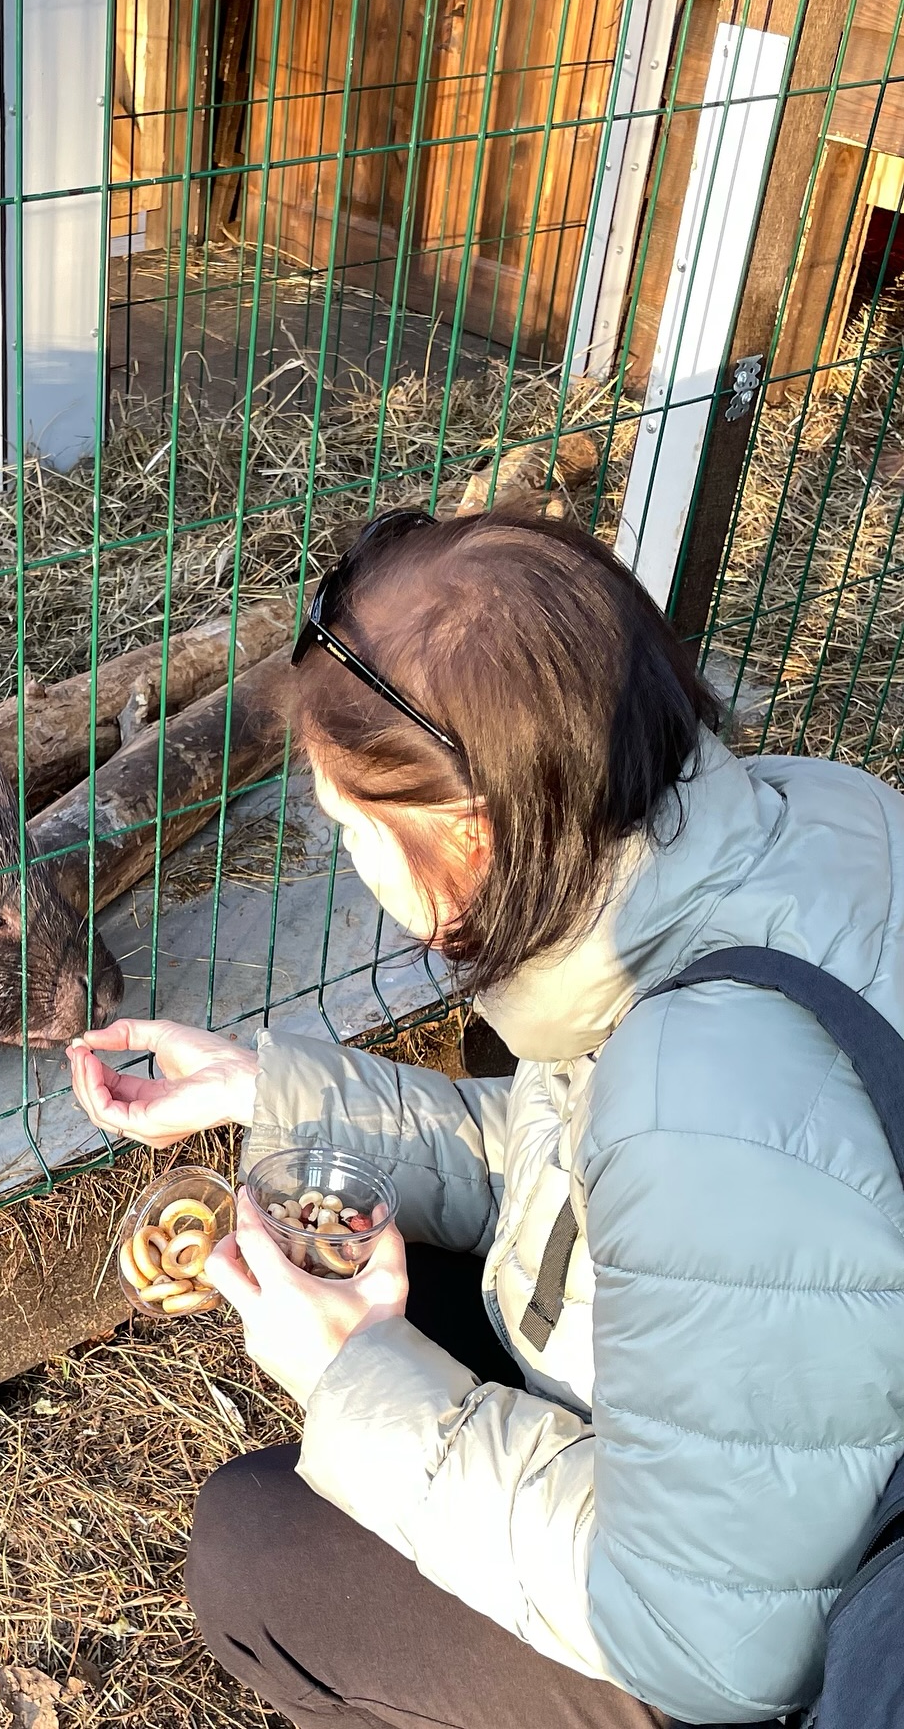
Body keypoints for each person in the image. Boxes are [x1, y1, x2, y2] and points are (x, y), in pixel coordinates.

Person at [65, 505, 904, 1729]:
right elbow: (592, 1163)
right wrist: (266, 1090)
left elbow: (710, 1644)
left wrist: (356, 1377)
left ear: (469, 835)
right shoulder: (791, 820)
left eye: (350, 828)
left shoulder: (699, 1087)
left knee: (255, 1556)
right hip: (787, 1454)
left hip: (760, 1638)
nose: (352, 863)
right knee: (377, 1258)